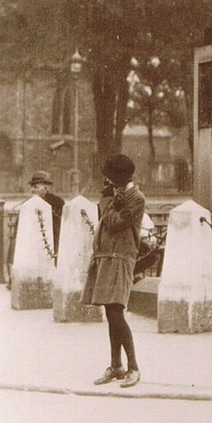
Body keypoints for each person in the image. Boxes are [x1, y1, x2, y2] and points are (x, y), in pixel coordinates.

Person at [81, 155, 145, 388]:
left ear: (118, 178)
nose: (106, 182)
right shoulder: (116, 195)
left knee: (117, 313)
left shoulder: (136, 198)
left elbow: (117, 223)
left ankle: (134, 367)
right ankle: (116, 365)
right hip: (106, 258)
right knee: (111, 314)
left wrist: (107, 203)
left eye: (109, 178)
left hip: (121, 259)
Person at [28, 170, 65, 257]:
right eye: (31, 187)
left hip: (52, 242)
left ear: (46, 187)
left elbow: (60, 226)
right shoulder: (27, 204)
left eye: (36, 187)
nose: (32, 190)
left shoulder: (57, 202)